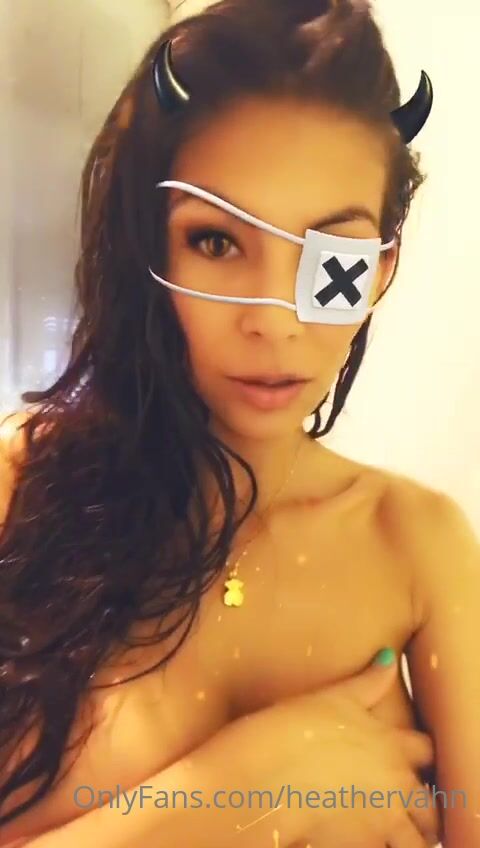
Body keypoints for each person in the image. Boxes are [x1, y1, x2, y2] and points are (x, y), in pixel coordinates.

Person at [0, 0, 478, 845]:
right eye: (217, 243)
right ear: (150, 246)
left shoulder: (419, 547)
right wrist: (257, 781)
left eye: (333, 259)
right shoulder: (18, 492)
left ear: (380, 270)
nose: (274, 322)